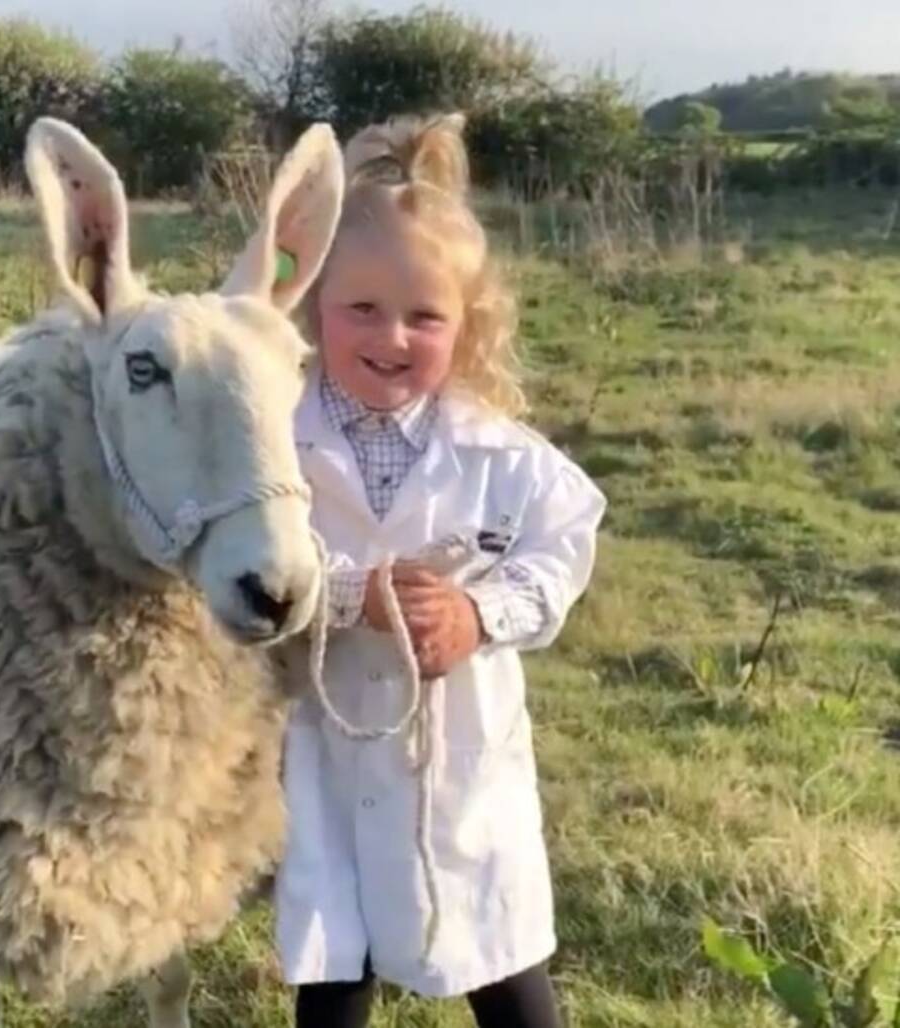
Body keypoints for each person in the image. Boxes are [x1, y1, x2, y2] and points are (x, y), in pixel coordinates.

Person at [274, 112, 608, 1028]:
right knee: (335, 964)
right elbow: (261, 554)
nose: (393, 337)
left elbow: (564, 545)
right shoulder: (279, 436)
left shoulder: (502, 454)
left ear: (467, 325)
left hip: (461, 755)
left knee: (498, 952)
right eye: (362, 311)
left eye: (425, 316)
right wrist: (351, 595)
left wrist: (479, 615)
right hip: (330, 741)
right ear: (313, 307)